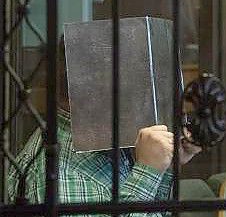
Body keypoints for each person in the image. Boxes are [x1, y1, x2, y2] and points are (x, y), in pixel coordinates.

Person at [8, 40, 201, 217]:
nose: (141, 97)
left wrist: (166, 165)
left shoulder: (103, 134)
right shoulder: (65, 176)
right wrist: (148, 172)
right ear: (85, 87)